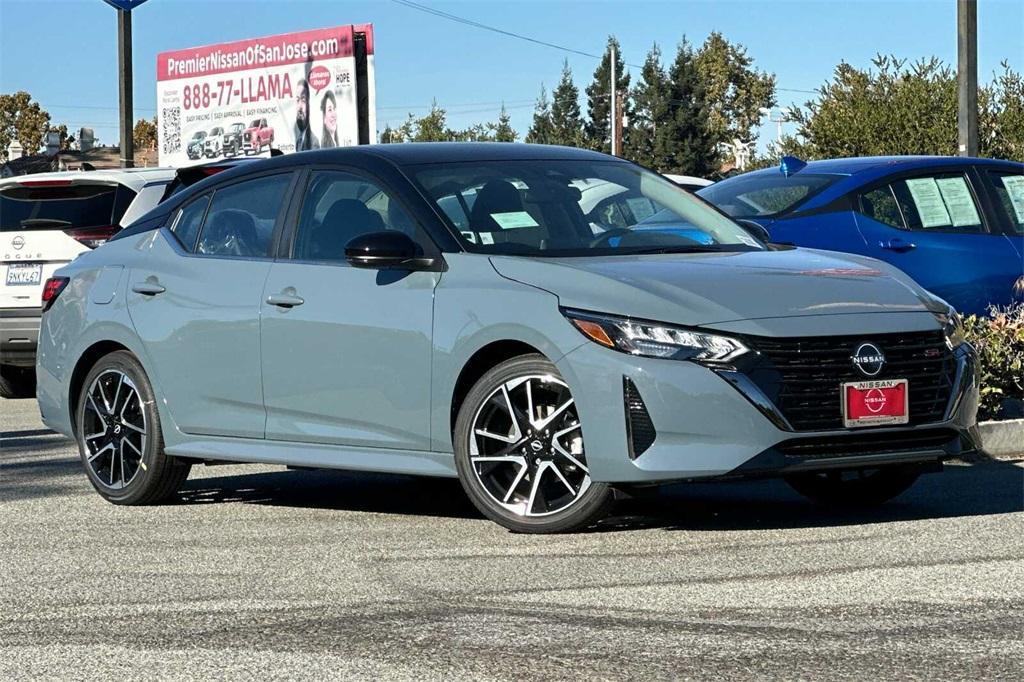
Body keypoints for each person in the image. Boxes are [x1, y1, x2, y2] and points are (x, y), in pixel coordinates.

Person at [293, 79, 319, 151]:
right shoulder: (299, 141)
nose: (299, 107)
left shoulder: (313, 142)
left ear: (309, 104)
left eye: (303, 100)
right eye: (298, 100)